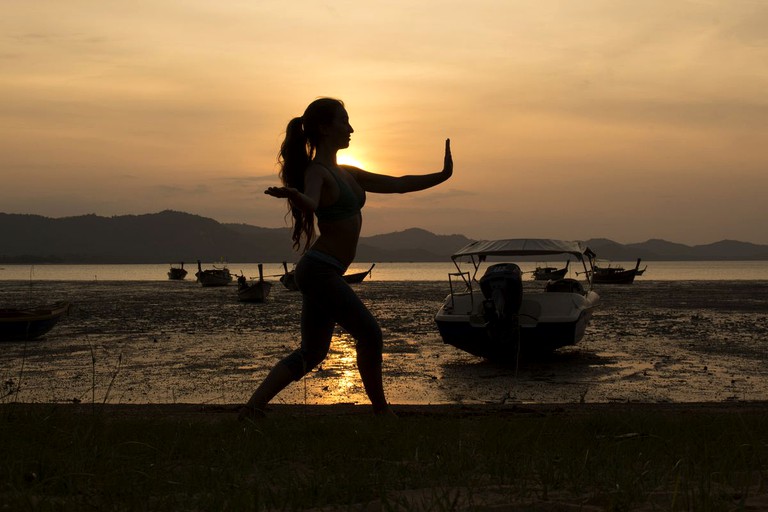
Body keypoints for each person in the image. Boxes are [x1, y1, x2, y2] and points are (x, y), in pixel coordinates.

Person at [239, 97, 452, 418]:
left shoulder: (347, 172)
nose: (351, 128)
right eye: (344, 121)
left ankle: (251, 410)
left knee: (312, 354)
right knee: (370, 334)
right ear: (325, 129)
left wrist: (443, 174)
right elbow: (310, 200)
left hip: (323, 271)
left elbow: (398, 184)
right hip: (319, 270)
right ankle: (383, 413)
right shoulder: (318, 172)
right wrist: (295, 196)